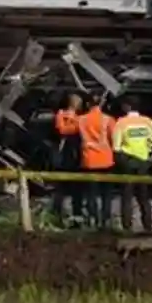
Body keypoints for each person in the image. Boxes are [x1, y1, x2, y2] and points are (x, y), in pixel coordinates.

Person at [112, 97, 152, 233]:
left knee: (127, 196)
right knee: (144, 195)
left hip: (128, 161)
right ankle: (148, 225)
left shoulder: (121, 123)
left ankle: (127, 226)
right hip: (143, 161)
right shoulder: (148, 122)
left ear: (127, 107)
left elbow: (116, 147)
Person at [76, 96, 116, 230]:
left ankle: (92, 218)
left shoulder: (81, 120)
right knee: (106, 193)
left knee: (91, 192)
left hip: (89, 159)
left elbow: (66, 130)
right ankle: (106, 220)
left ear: (87, 104)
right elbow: (114, 137)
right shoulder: (108, 119)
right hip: (106, 160)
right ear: (101, 103)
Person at [50, 93, 85, 223]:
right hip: (67, 157)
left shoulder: (63, 116)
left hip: (70, 157)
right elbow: (62, 131)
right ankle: (60, 214)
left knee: (66, 188)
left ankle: (71, 214)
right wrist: (76, 125)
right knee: (65, 188)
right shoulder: (68, 117)